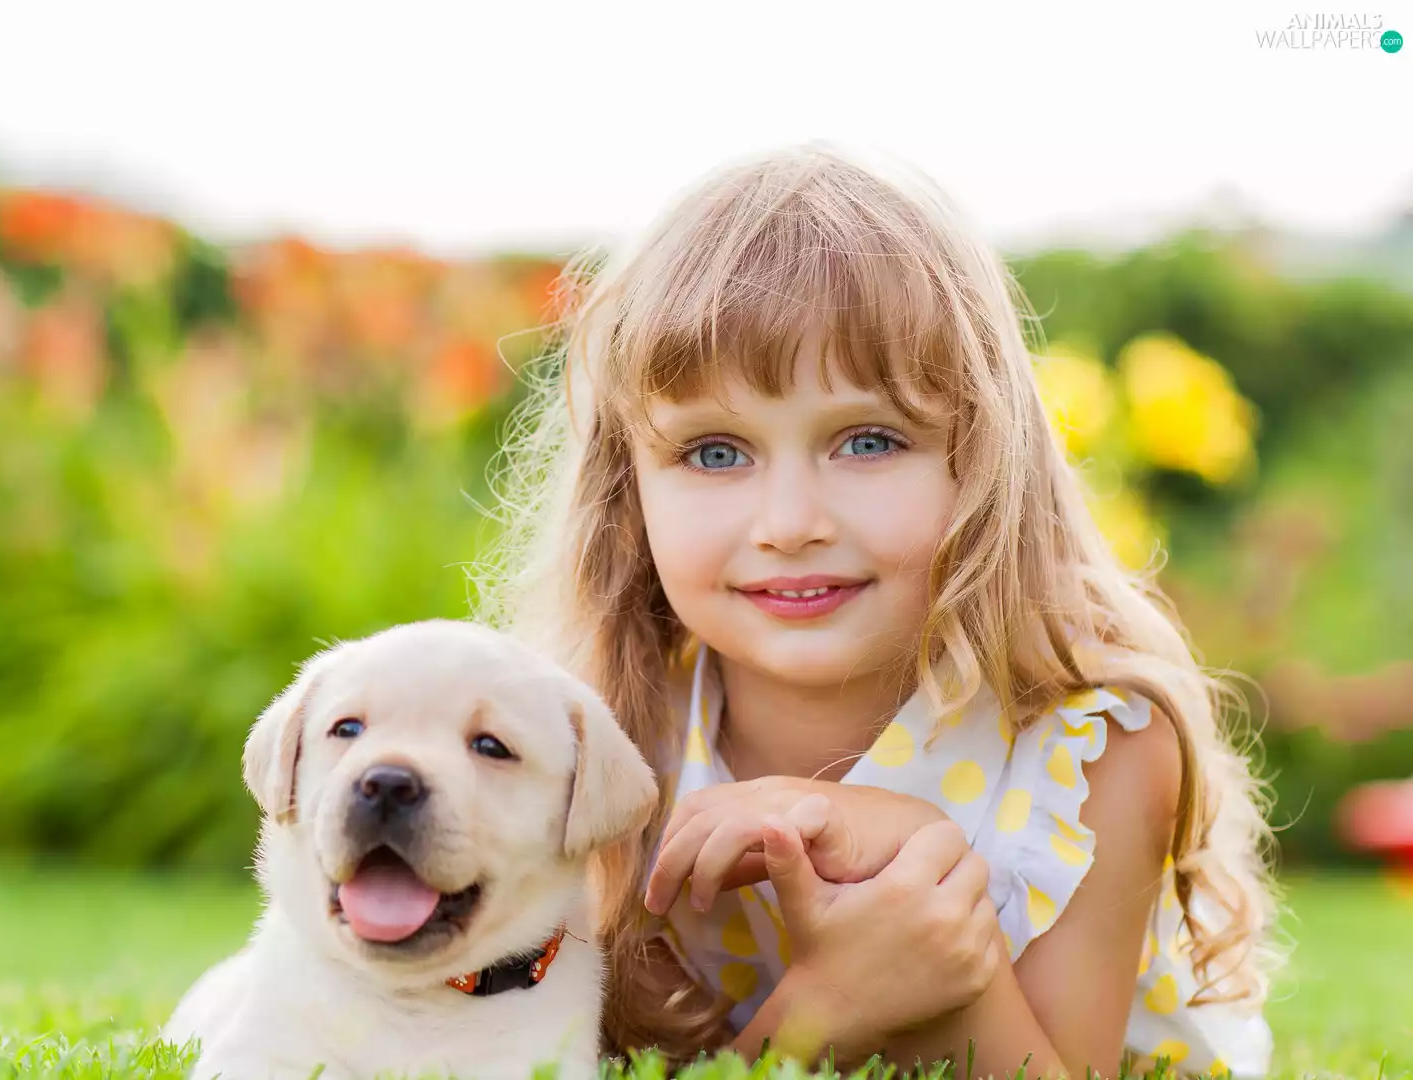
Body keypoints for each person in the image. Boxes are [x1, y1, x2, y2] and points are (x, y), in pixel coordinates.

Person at [472, 142, 1278, 1078]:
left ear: (978, 458)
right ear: (628, 491)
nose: (790, 524)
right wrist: (831, 1005)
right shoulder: (607, 748)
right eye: (715, 453)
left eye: (866, 440)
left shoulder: (1091, 753)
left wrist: (950, 972)